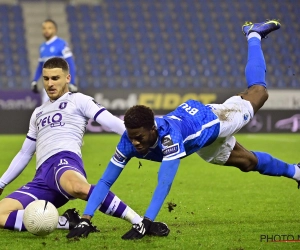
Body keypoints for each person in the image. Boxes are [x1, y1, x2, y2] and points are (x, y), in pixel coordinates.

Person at [67, 19, 298, 239]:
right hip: (201, 144)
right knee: (248, 163)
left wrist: (146, 222)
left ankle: (254, 34)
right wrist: (86, 218)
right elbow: (106, 182)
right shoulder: (128, 141)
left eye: (139, 137)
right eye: (131, 137)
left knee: (259, 92)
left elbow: (164, 182)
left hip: (215, 120)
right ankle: (297, 171)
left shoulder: (170, 137)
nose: (135, 143)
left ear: (153, 129)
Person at [0, 57, 169, 239]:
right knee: (1, 214)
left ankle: (140, 222)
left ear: (67, 78)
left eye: (55, 78)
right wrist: (2, 183)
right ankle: (65, 222)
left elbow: (111, 122)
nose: (50, 83)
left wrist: (140, 141)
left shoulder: (79, 100)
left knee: (78, 187)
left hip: (63, 162)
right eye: (46, 78)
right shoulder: (38, 113)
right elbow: (25, 152)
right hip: (41, 177)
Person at [31, 19, 77, 104]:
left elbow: (70, 63)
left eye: (49, 28)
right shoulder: (42, 47)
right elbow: (41, 65)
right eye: (44, 28)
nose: (46, 30)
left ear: (55, 30)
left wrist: (72, 82)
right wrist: (35, 80)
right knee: (46, 109)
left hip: (61, 84)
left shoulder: (62, 44)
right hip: (48, 84)